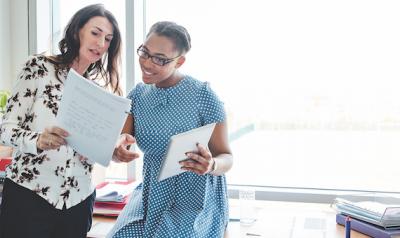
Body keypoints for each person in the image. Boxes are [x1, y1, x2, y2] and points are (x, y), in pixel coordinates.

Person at [0, 4, 137, 238]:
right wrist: (38, 139)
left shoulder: (98, 92)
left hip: (78, 203)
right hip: (28, 197)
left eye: (108, 39)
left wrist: (113, 150)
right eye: (95, 33)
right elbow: (6, 130)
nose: (101, 43)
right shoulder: (38, 68)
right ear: (76, 31)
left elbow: (91, 147)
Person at [107, 21, 234, 238]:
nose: (147, 63)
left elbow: (227, 157)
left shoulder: (202, 94)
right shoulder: (137, 95)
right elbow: (118, 146)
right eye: (144, 52)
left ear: (179, 61)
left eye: (160, 59)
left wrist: (211, 164)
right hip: (152, 193)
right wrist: (117, 152)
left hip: (195, 196)